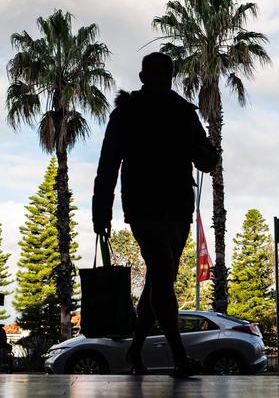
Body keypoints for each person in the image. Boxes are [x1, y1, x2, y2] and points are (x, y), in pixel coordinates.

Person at [92, 52, 219, 378]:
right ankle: (179, 356)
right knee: (162, 272)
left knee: (159, 280)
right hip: (149, 207)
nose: (163, 78)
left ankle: (135, 352)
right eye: (159, 73)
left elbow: (203, 157)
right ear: (145, 76)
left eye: (166, 73)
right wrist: (101, 210)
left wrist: (208, 153)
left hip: (172, 206)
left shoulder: (177, 112)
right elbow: (108, 163)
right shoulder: (134, 113)